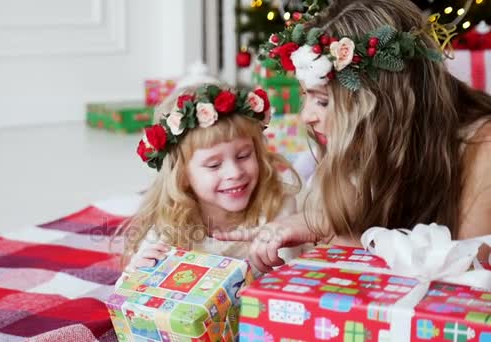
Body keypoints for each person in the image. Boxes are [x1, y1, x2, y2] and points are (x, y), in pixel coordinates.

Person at [215, 0, 491, 272]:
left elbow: (467, 280)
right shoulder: (368, 141)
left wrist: (327, 227)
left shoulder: (483, 147)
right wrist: (317, 224)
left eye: (323, 101)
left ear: (382, 102)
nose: (306, 116)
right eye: (305, 96)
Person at [113, 84, 303, 284]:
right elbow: (125, 296)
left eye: (243, 155)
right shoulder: (171, 223)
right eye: (214, 165)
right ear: (182, 175)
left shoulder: (276, 206)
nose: (235, 172)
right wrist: (136, 274)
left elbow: (290, 283)